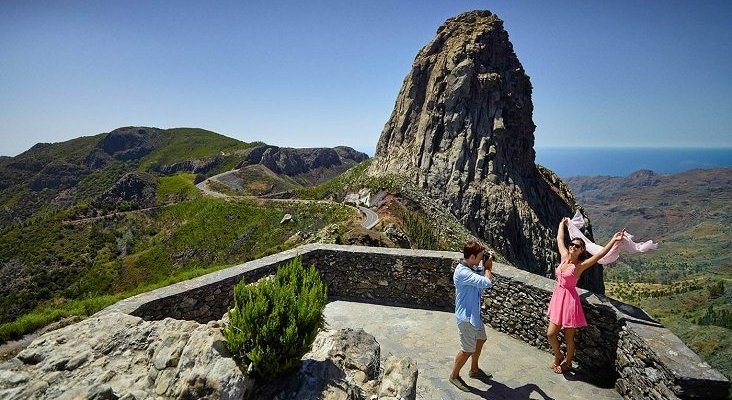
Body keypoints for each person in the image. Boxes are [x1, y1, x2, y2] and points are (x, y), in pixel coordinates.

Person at [547, 218, 625, 373]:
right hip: (558, 298)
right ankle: (558, 355)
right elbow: (559, 238)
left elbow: (600, 254)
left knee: (569, 338)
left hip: (569, 301)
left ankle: (567, 362)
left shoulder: (579, 266)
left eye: (577, 246)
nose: (573, 247)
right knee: (550, 334)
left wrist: (613, 240)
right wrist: (562, 224)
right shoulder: (563, 257)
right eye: (572, 244)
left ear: (582, 250)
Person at [449, 241, 495, 391]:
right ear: (473, 256)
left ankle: (474, 370)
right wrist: (488, 267)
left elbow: (479, 272)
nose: (482, 259)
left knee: (481, 339)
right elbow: (487, 282)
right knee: (467, 349)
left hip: (474, 316)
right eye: (480, 256)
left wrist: (485, 264)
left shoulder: (471, 267)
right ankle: (454, 376)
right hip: (466, 318)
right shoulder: (463, 272)